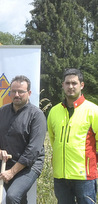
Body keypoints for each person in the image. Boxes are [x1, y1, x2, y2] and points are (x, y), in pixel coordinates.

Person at [0, 75, 46, 204]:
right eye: (13, 91)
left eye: (21, 91)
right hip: (7, 164)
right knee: (19, 200)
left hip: (29, 166)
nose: (17, 94)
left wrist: (12, 172)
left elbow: (33, 151)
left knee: (13, 197)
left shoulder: (37, 115)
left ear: (29, 93)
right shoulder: (3, 111)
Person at [47, 68, 98, 204]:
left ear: (82, 85)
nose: (70, 86)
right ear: (63, 85)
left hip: (84, 175)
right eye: (67, 83)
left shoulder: (93, 110)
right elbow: (53, 139)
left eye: (74, 83)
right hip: (61, 175)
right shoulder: (54, 111)